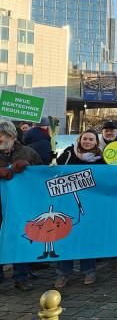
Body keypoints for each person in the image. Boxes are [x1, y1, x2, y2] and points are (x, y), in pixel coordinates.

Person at [54, 130, 104, 288]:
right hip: (67, 201)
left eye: (91, 139)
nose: (87, 141)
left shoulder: (102, 158)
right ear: (79, 139)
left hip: (91, 202)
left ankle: (89, 271)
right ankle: (63, 273)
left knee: (87, 237)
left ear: (96, 142)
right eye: (85, 138)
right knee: (65, 235)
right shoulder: (68, 153)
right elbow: (56, 170)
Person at [0, 119, 42, 291]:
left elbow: (42, 174)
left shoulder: (28, 152)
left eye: (0, 135)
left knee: (20, 238)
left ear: (11, 135)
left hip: (21, 206)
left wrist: (30, 168)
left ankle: (21, 277)